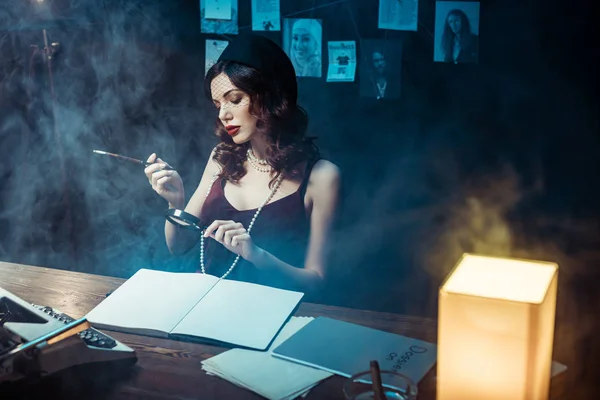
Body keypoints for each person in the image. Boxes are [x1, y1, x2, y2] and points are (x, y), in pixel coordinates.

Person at [145, 34, 340, 295]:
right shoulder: (221, 158)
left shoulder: (322, 176)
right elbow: (178, 246)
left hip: (268, 315)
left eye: (234, 99)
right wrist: (175, 203)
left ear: (270, 97)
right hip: (200, 305)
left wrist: (256, 254)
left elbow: (317, 280)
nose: (223, 114)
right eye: (218, 104)